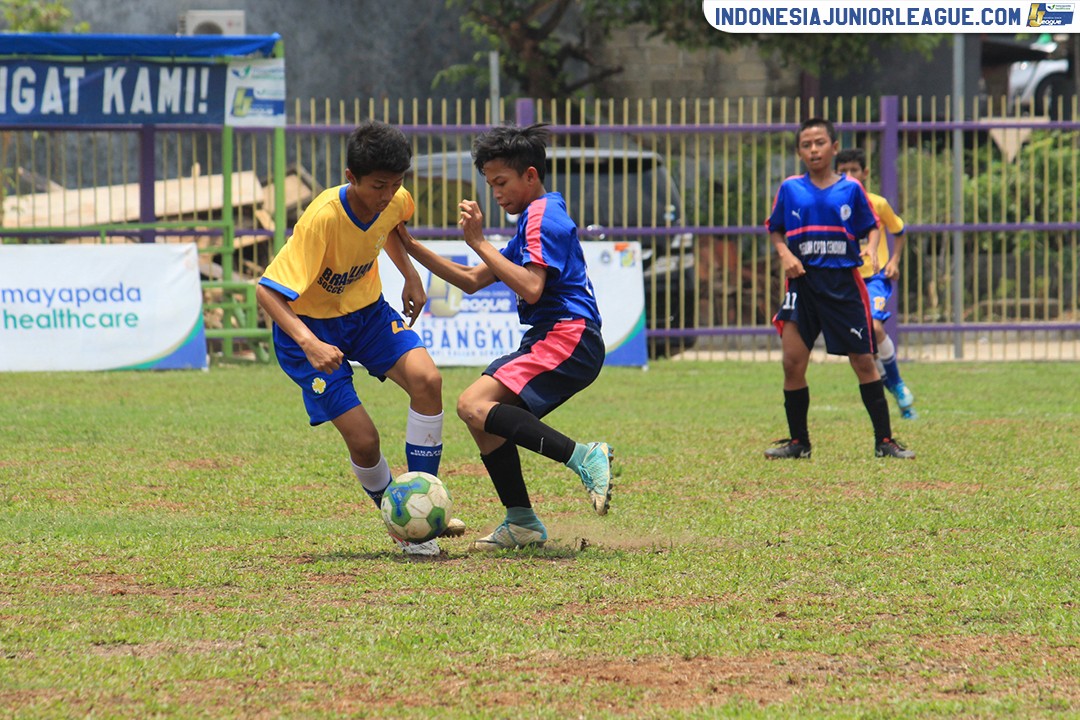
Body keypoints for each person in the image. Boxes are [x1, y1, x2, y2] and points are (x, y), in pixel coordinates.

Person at [397, 123, 613, 551]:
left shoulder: (541, 216)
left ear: (530, 175)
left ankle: (585, 457)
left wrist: (478, 240)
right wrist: (406, 242)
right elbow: (473, 280)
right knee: (477, 413)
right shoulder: (536, 217)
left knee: (474, 405)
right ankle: (522, 521)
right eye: (489, 184)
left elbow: (531, 287)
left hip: (569, 334)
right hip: (556, 336)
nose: (496, 193)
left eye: (502, 182)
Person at [256, 120, 462, 557]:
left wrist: (409, 274)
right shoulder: (322, 219)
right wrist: (310, 343)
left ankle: (425, 510)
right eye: (378, 185)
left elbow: (390, 226)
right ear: (351, 177)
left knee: (428, 381)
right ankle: (401, 518)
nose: (388, 194)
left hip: (367, 316)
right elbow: (267, 291)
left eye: (397, 183)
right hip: (307, 331)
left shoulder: (395, 199)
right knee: (365, 440)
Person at [764, 118, 914, 460]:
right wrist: (785, 253)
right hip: (802, 285)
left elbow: (871, 226)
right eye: (806, 144)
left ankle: (885, 441)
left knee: (863, 359)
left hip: (843, 286)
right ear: (799, 151)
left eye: (820, 142)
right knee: (792, 362)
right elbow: (775, 228)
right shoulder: (790, 189)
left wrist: (870, 248)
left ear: (833, 146)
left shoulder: (851, 189)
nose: (813, 149)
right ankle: (799, 443)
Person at [835, 148, 917, 419]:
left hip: (874, 279)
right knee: (860, 347)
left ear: (865, 173)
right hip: (845, 280)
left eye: (854, 170)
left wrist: (894, 261)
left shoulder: (877, 204)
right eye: (843, 171)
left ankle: (897, 382)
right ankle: (897, 396)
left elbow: (900, 230)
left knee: (874, 327)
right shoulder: (832, 205)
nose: (849, 176)